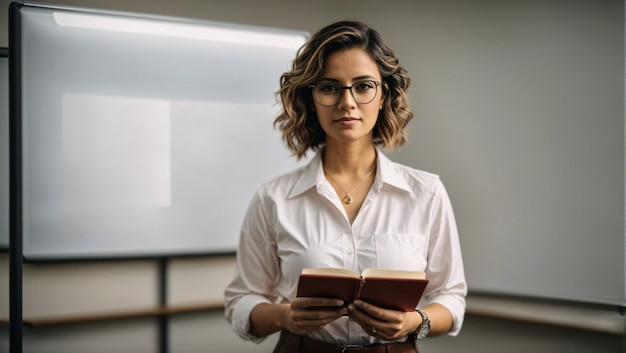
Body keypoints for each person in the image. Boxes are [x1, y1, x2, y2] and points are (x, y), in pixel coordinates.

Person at [224, 20, 466, 353]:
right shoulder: (274, 199)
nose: (347, 102)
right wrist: (284, 316)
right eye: (329, 87)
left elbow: (451, 297)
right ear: (311, 99)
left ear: (383, 95)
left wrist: (415, 322)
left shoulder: (427, 193)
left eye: (363, 86)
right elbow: (240, 301)